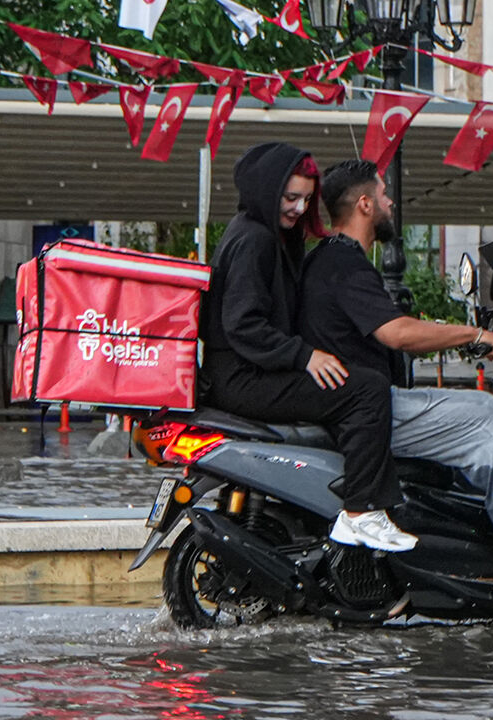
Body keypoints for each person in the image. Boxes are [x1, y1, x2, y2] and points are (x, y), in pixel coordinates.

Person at [299, 159, 493, 575]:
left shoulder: (329, 260)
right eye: (384, 195)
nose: (390, 203)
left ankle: (475, 531)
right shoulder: (344, 265)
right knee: (485, 414)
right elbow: (397, 333)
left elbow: (386, 332)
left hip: (354, 403)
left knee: (469, 412)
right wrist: (475, 335)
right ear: (364, 205)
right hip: (365, 410)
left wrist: (444, 333)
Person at [198, 142, 417, 553]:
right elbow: (243, 324)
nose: (299, 208)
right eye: (290, 197)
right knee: (366, 390)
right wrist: (305, 355)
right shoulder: (255, 239)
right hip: (244, 378)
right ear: (267, 190)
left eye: (305, 199)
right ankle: (361, 511)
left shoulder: (267, 234)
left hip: (247, 373)